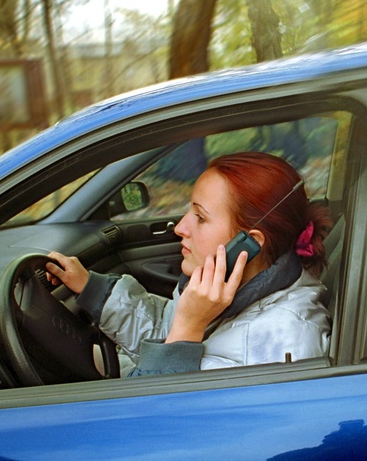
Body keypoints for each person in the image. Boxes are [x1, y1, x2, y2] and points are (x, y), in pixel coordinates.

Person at [46, 151, 332, 376]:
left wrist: (189, 328)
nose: (180, 227)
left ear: (249, 243)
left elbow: (155, 422)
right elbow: (164, 329)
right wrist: (93, 289)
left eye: (201, 217)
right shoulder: (222, 290)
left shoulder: (275, 348)